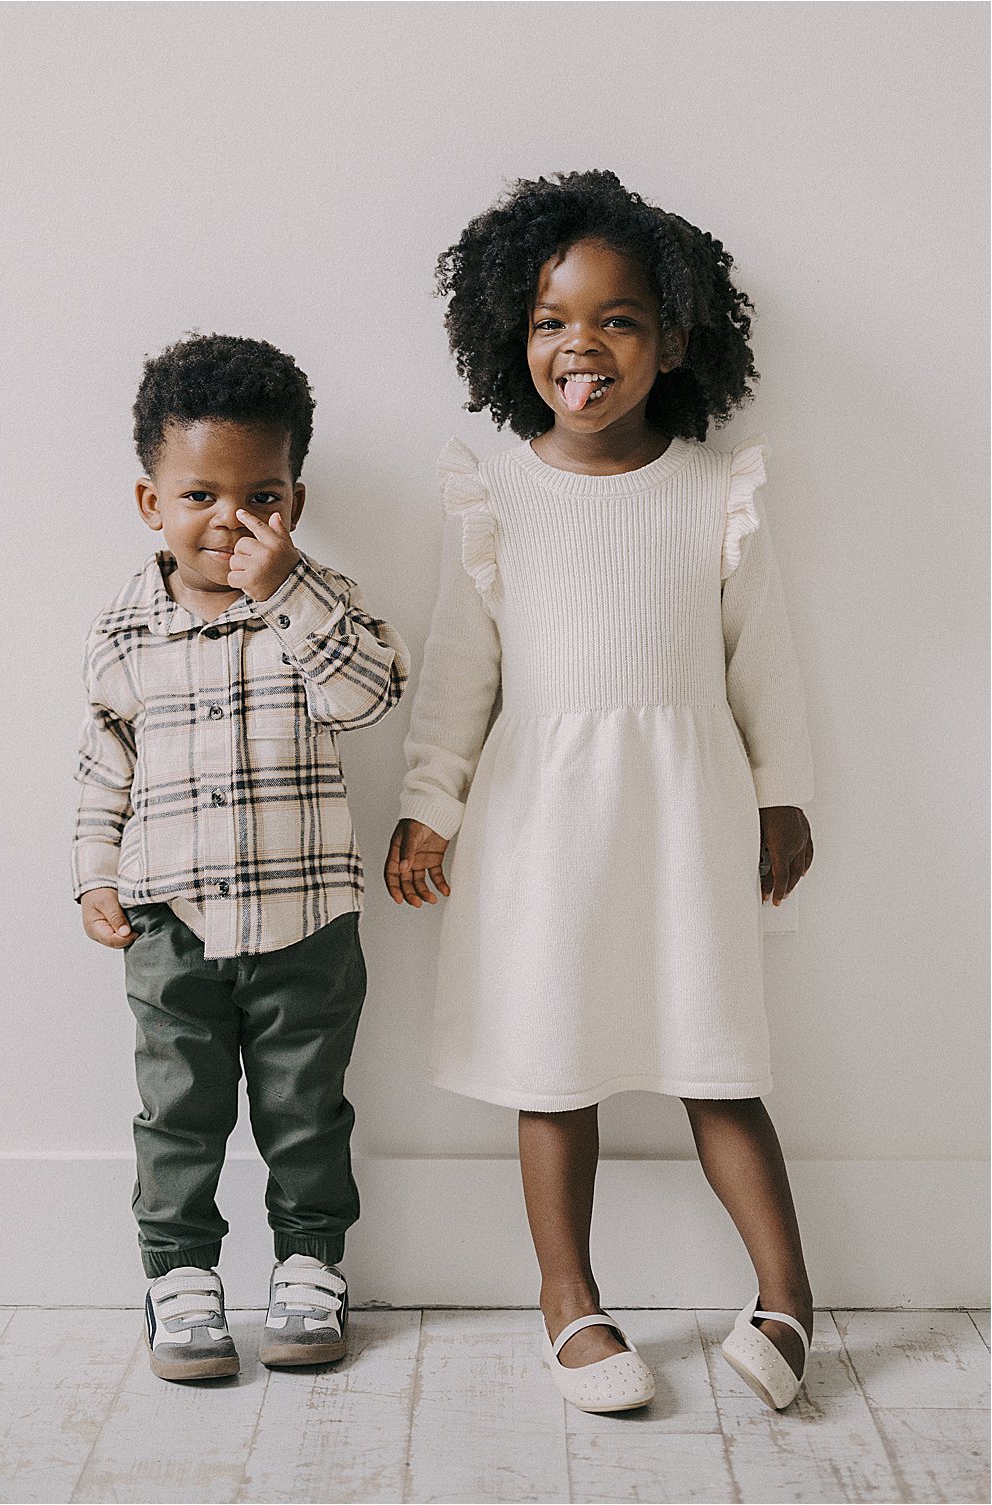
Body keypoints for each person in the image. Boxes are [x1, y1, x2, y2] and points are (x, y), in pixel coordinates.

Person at [387, 172, 815, 1415]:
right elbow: (461, 675)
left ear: (673, 337)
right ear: (508, 339)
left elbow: (764, 661)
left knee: (717, 1055)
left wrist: (782, 792)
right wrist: (432, 800)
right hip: (541, 823)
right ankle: (567, 1297)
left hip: (685, 813)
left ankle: (786, 1292)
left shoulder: (713, 488)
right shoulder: (495, 495)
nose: (579, 345)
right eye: (547, 320)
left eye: (617, 318)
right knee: (552, 1060)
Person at [73, 333, 408, 1381]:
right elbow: (101, 762)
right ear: (151, 503)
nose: (230, 521)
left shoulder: (324, 601)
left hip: (305, 917)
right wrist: (93, 871)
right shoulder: (125, 630)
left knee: (306, 1108)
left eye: (259, 496)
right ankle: (181, 1278)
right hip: (169, 920)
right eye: (199, 495)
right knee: (178, 1107)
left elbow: (366, 697)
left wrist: (290, 589)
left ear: (292, 503)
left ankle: (310, 1264)